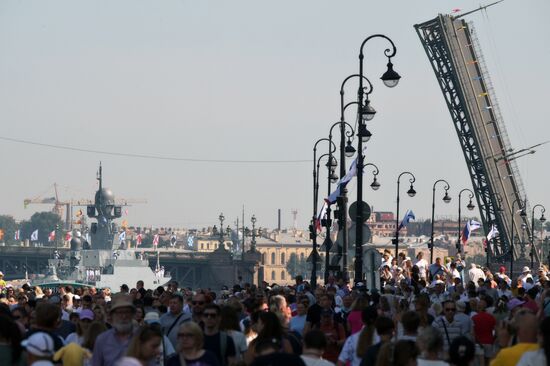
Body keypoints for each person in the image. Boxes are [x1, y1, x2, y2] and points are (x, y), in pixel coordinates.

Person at [91, 293, 137, 366]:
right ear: (112, 315)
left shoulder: (143, 338)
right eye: (119, 312)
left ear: (132, 314)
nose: (124, 316)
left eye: (127, 312)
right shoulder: (102, 340)